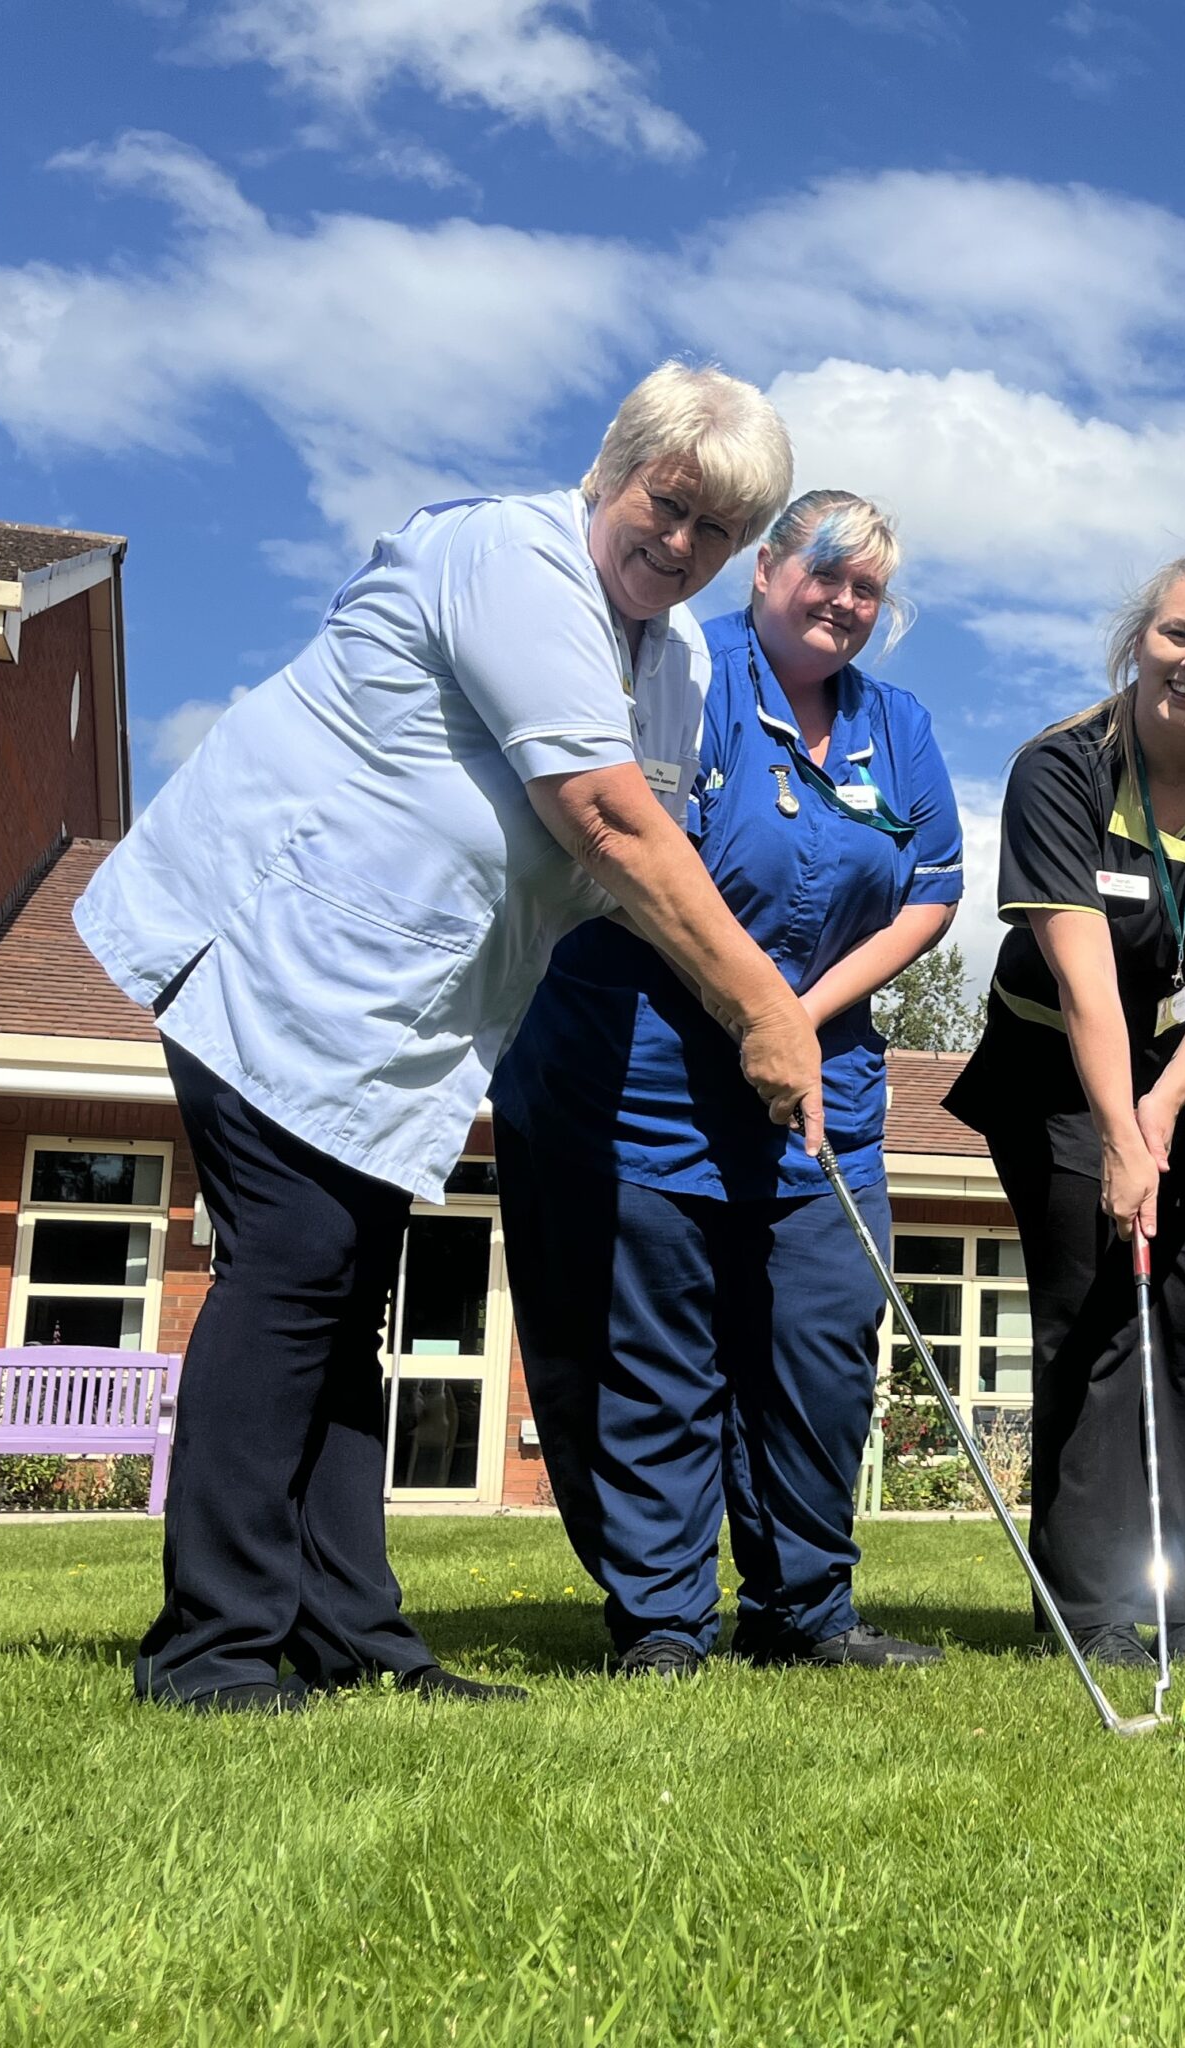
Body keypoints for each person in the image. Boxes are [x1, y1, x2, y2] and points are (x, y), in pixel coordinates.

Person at [74, 363, 815, 1713]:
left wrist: (727, 990)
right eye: (671, 503)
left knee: (340, 1292)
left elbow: (637, 851)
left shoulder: (674, 655)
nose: (684, 545)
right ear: (615, 469)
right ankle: (211, 1654)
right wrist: (761, 1002)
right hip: (274, 951)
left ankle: (351, 1637)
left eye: (718, 532)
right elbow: (603, 818)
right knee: (296, 1269)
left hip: (389, 1016)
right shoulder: (507, 559)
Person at [491, 490, 962, 1676]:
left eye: (868, 589)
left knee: (820, 1352)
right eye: (827, 574)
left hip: (823, 1102)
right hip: (645, 1080)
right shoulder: (682, 680)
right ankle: (661, 1620)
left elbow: (933, 889)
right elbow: (625, 859)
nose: (846, 603)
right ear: (765, 570)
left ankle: (805, 1613)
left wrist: (794, 1015)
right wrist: (746, 1004)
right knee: (657, 1358)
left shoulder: (895, 723)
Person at [944, 547, 1185, 1669]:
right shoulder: (1062, 765)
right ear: (1138, 637)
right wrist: (1124, 1130)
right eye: (1176, 634)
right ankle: (1091, 1613)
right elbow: (1080, 975)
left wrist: (1168, 1103)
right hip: (1064, 1076)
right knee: (1097, 1331)